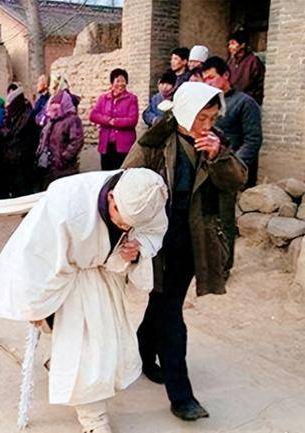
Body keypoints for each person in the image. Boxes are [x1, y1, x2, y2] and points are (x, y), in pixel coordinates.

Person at [0, 168, 169, 433]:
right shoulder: (66, 202)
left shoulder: (151, 194)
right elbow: (37, 255)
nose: (126, 228)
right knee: (86, 350)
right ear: (112, 197)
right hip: (68, 278)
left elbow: (155, 231)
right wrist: (35, 304)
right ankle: (94, 421)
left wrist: (137, 250)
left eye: (131, 226)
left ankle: (60, 363)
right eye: (122, 220)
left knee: (105, 343)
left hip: (107, 275)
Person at [122, 82, 247, 421]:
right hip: (158, 243)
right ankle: (182, 396)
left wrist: (218, 156)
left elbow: (238, 180)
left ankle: (143, 354)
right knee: (171, 315)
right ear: (186, 112)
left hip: (195, 244)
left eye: (212, 117)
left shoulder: (215, 144)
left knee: (165, 304)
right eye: (202, 117)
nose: (207, 125)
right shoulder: (154, 143)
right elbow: (125, 185)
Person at [203, 56, 262, 187]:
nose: (208, 83)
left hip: (233, 168)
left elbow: (253, 140)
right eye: (205, 79)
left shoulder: (245, 103)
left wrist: (235, 165)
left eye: (211, 78)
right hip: (210, 165)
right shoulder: (206, 103)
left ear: (225, 75)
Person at [89, 68, 139, 170]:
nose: (121, 84)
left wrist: (115, 122)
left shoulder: (131, 99)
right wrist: (108, 120)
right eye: (118, 81)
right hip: (106, 144)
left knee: (121, 173)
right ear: (112, 83)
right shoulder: (103, 98)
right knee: (106, 174)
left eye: (123, 81)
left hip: (124, 145)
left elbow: (132, 120)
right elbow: (93, 115)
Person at [36, 89, 84, 187]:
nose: (53, 112)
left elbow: (77, 141)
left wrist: (63, 158)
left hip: (65, 168)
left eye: (56, 109)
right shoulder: (52, 120)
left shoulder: (72, 120)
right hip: (51, 166)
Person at [1, 86, 40, 197]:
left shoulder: (27, 115)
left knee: (25, 185)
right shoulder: (15, 115)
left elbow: (17, 133)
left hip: (25, 156)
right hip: (15, 157)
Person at [227, 30, 265, 105]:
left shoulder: (253, 61)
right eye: (229, 44)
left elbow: (259, 84)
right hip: (233, 100)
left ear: (242, 45)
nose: (230, 47)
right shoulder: (231, 61)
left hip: (248, 101)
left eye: (233, 43)